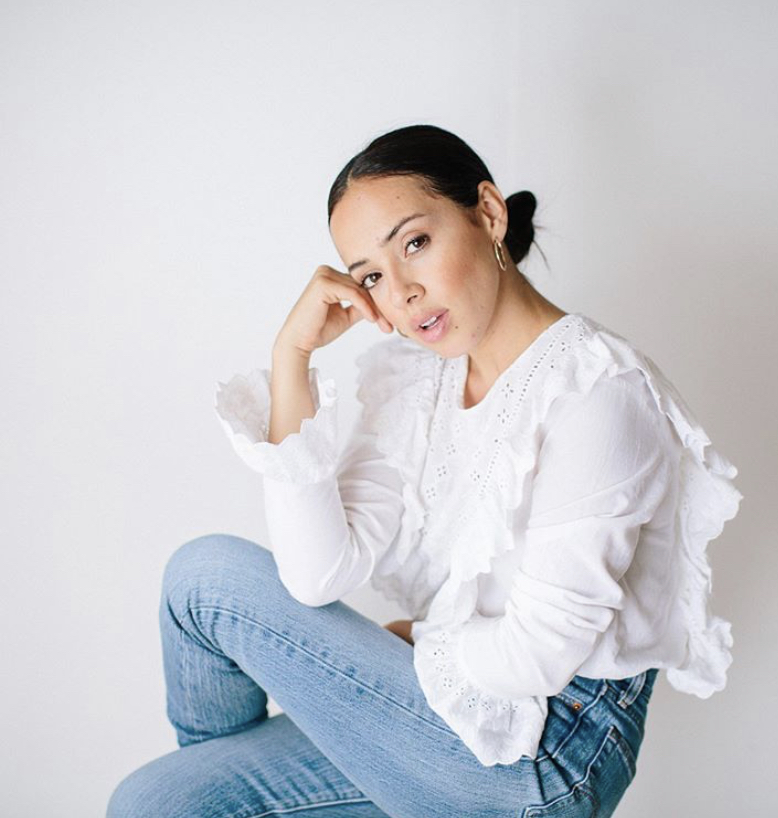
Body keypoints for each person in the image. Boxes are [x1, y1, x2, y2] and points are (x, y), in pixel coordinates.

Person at [106, 124, 743, 817]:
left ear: (489, 214)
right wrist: (292, 354)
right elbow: (316, 574)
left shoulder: (594, 390)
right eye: (371, 276)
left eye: (415, 243)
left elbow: (542, 653)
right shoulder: (421, 382)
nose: (402, 292)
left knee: (207, 580)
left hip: (549, 757)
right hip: (451, 712)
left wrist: (423, 640)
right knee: (154, 802)